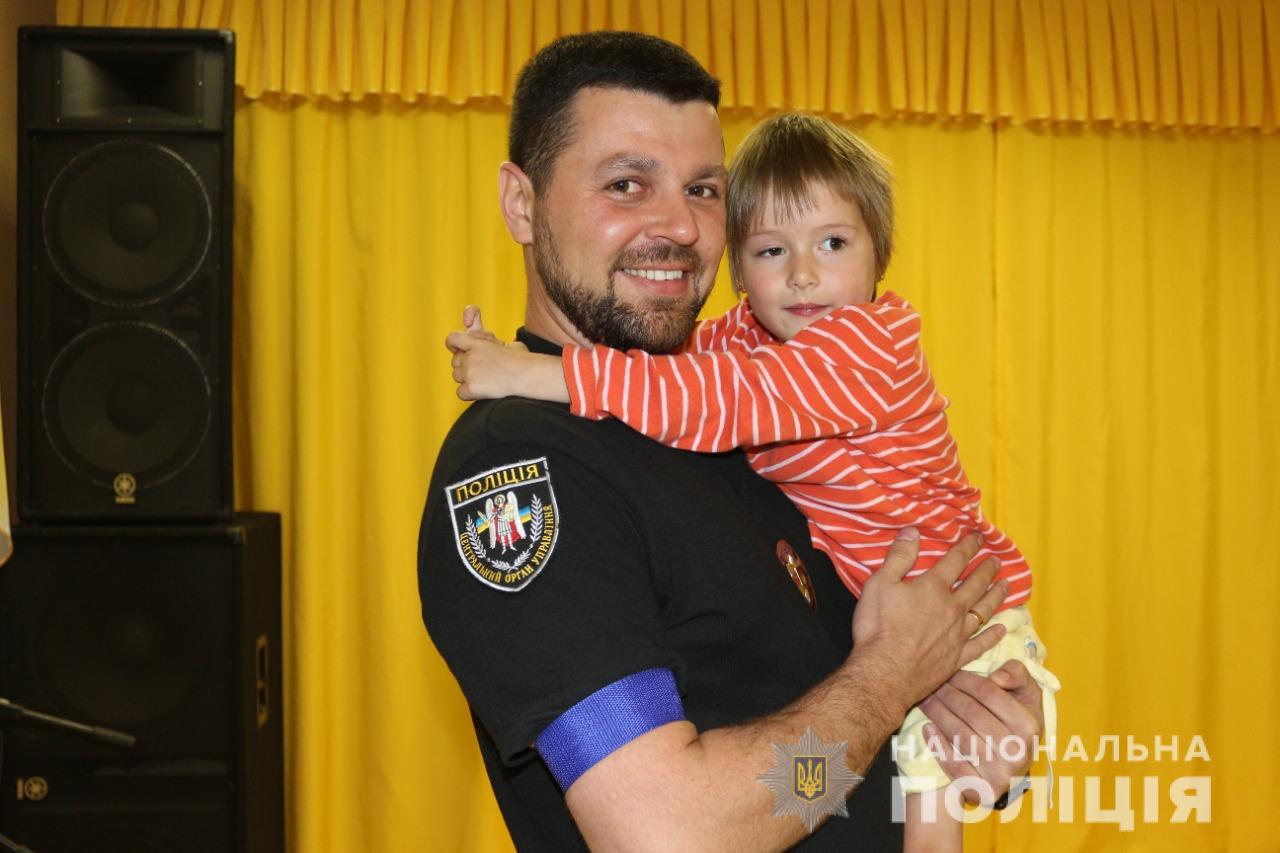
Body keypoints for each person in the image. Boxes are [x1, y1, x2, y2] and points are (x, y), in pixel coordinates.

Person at [420, 31, 1042, 852]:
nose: (679, 225)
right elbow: (668, 831)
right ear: (521, 203)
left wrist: (974, 732)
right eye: (626, 183)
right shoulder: (526, 463)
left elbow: (837, 707)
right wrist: (892, 681)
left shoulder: (734, 417)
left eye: (704, 189)